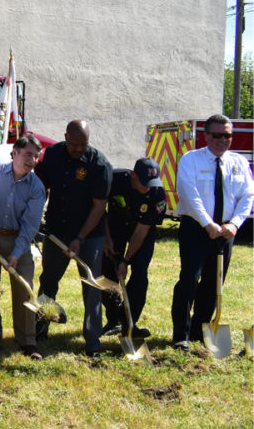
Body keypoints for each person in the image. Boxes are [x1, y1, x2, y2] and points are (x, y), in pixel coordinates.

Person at [170, 114, 254, 351]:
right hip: (196, 228)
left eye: (227, 135)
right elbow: (189, 195)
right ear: (206, 136)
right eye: (217, 135)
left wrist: (235, 224)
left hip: (226, 231)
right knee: (189, 280)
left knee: (214, 283)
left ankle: (200, 330)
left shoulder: (239, 162)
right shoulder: (191, 160)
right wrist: (208, 224)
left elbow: (247, 196)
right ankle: (181, 335)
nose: (222, 140)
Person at [34, 120, 112, 358]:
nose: (79, 149)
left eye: (83, 145)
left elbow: (99, 207)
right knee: (48, 280)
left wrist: (80, 237)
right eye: (74, 144)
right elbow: (41, 187)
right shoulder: (53, 155)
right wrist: (35, 216)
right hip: (57, 231)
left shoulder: (100, 164)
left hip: (89, 235)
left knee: (91, 286)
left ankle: (92, 343)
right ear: (65, 137)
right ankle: (40, 329)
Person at [0, 134, 46, 359]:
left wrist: (16, 253)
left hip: (19, 239)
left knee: (24, 289)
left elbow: (31, 224)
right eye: (27, 154)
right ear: (14, 153)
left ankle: (27, 342)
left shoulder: (37, 187)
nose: (31, 160)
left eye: (35, 156)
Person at [98, 157, 166, 339]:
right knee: (106, 275)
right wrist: (107, 239)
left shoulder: (157, 194)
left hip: (141, 232)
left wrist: (126, 261)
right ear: (133, 175)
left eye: (151, 183)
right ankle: (114, 319)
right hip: (115, 227)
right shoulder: (115, 179)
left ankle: (130, 323)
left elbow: (141, 231)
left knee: (140, 275)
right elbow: (99, 208)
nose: (148, 188)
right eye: (144, 183)